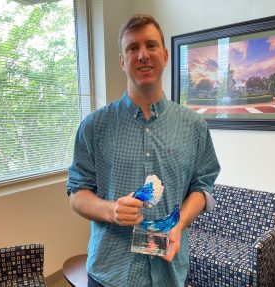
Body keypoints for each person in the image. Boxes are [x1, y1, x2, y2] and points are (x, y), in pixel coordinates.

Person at [67, 14, 220, 287]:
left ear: (164, 55)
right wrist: (111, 210)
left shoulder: (194, 126)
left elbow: (202, 186)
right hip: (109, 272)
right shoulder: (93, 126)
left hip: (168, 272)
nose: (142, 55)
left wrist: (179, 223)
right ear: (122, 61)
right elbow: (77, 193)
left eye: (150, 46)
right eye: (132, 48)